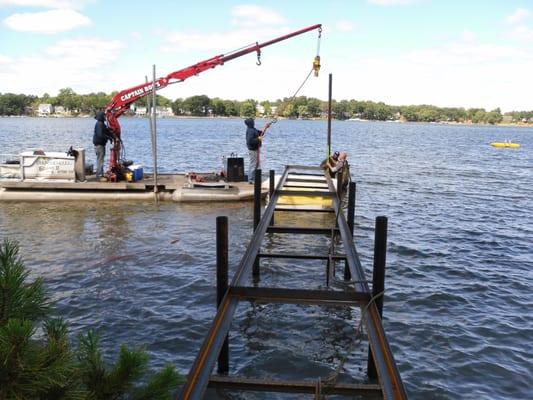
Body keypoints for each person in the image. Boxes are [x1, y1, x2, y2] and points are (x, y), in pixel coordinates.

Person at [245, 118, 271, 184]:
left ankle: (253, 178)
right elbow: (250, 141)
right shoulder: (250, 131)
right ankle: (251, 180)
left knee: (256, 164)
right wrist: (258, 139)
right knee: (253, 164)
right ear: (250, 123)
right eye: (253, 121)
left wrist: (265, 127)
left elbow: (261, 133)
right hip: (253, 150)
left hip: (256, 149)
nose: (254, 122)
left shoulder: (254, 129)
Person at [93, 111, 114, 179]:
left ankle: (100, 174)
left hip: (99, 145)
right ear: (101, 117)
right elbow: (100, 135)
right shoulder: (100, 124)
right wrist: (109, 138)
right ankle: (99, 175)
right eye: (104, 116)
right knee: (100, 160)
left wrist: (110, 133)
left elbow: (105, 131)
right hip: (99, 145)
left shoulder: (101, 124)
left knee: (100, 159)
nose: (105, 117)